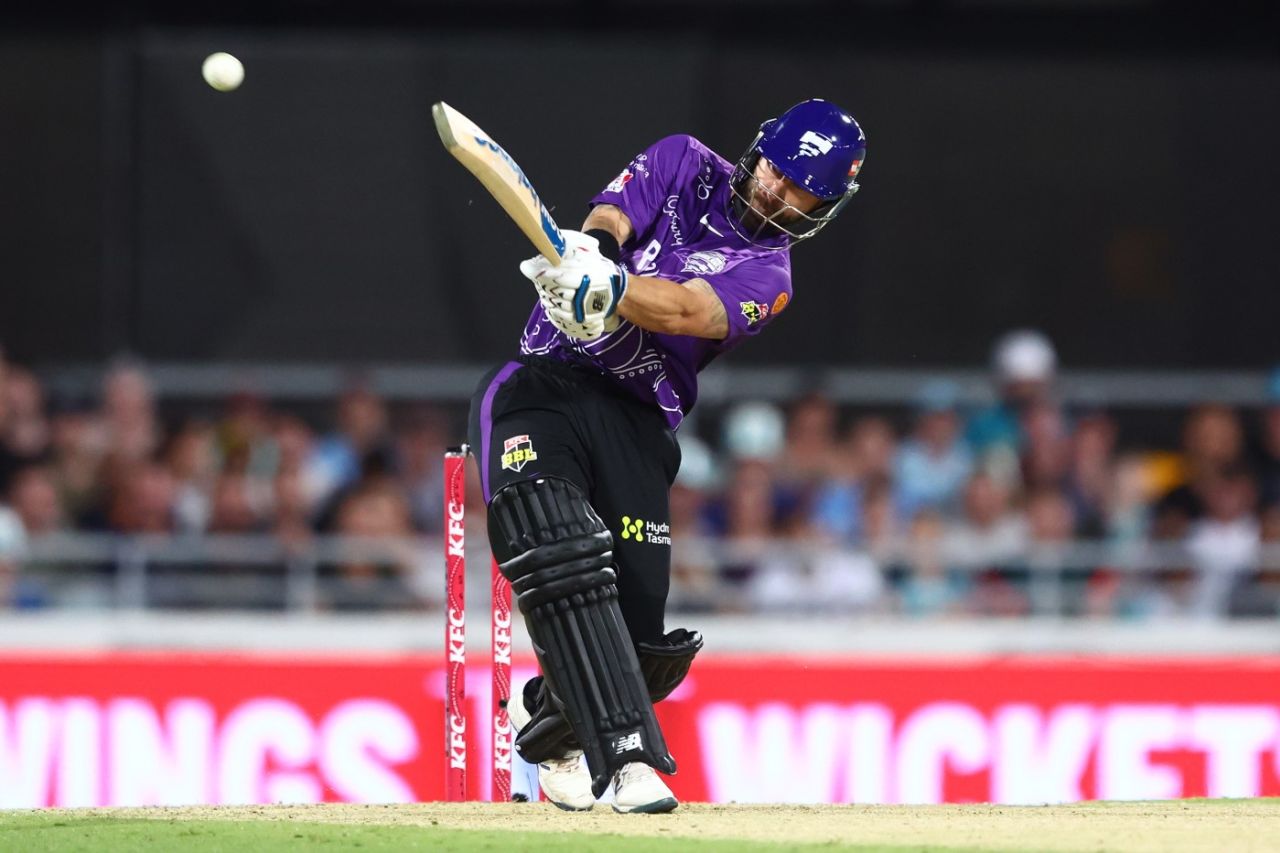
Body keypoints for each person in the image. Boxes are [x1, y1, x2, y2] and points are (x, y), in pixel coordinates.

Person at [468, 99, 866, 813]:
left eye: (799, 187)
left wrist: (611, 294)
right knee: (555, 538)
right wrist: (595, 257)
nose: (776, 190)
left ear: (823, 206)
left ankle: (546, 720)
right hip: (545, 383)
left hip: (637, 417)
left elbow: (686, 310)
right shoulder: (685, 159)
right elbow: (615, 214)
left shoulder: (770, 278)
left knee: (643, 644)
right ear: (758, 151)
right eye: (776, 169)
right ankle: (627, 756)